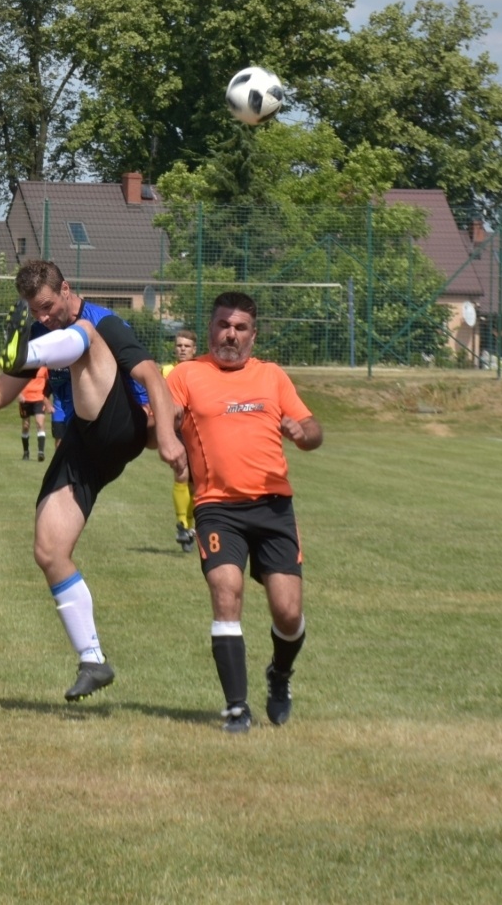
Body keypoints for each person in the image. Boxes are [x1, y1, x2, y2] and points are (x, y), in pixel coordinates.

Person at [0, 260, 185, 702]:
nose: (43, 317)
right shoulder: (43, 329)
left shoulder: (103, 320)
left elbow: (152, 375)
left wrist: (169, 436)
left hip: (125, 426)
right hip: (85, 443)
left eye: (47, 307)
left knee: (84, 338)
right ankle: (93, 659)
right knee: (48, 549)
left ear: (66, 288)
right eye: (34, 312)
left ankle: (29, 358)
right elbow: (2, 394)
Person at [163, 292, 323, 733]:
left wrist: (301, 432)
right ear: (210, 327)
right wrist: (166, 431)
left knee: (287, 613)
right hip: (217, 507)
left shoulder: (272, 377)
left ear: (253, 334)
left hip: (274, 507)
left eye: (240, 328)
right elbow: (160, 419)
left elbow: (313, 430)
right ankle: (236, 707)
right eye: (222, 325)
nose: (229, 334)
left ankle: (280, 675)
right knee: (226, 591)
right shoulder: (187, 375)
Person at [164, 329, 199, 551]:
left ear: (194, 349)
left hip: (199, 434)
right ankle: (182, 524)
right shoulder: (166, 371)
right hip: (177, 432)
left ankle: (190, 527)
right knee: (181, 474)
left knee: (197, 485)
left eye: (186, 346)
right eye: (179, 345)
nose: (182, 349)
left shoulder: (202, 371)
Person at [17, 366, 49, 461]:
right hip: (25, 399)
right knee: (25, 426)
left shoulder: (44, 368)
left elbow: (48, 382)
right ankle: (26, 452)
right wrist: (19, 394)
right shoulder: (25, 367)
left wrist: (45, 396)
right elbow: (16, 382)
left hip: (38, 399)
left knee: (40, 424)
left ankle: (41, 452)